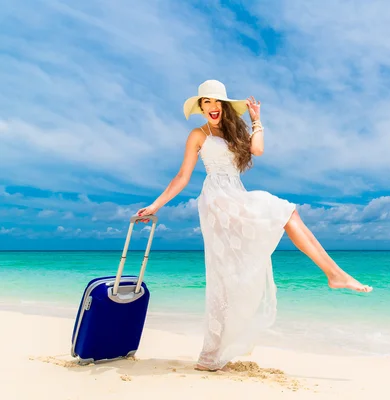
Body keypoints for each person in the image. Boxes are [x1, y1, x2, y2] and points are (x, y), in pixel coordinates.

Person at [136, 79, 372, 371]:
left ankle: (209, 357)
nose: (212, 107)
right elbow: (182, 177)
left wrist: (256, 120)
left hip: (237, 194)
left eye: (217, 102)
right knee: (285, 213)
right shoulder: (198, 134)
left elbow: (257, 151)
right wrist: (155, 205)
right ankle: (334, 274)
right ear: (201, 107)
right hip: (217, 200)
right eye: (206, 102)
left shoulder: (235, 133)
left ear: (224, 106)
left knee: (231, 272)